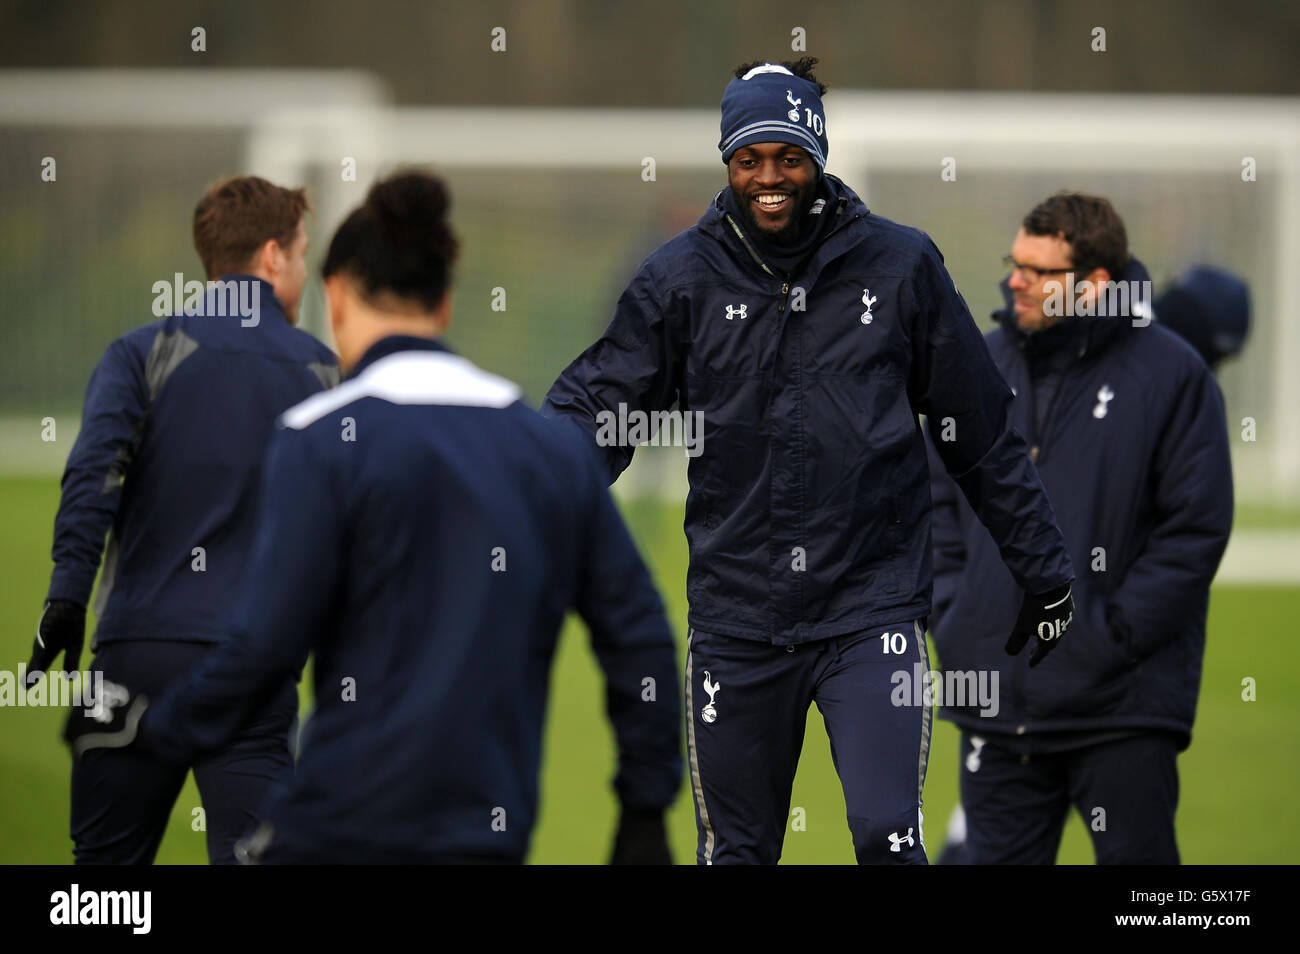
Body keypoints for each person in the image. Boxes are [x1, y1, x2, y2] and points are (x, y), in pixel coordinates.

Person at [541, 58, 1076, 865]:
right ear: (727, 160)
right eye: (750, 157)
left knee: (887, 837)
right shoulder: (677, 278)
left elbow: (980, 434)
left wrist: (1047, 571)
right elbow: (597, 413)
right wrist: (519, 496)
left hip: (871, 608)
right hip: (735, 618)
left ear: (817, 158)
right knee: (739, 854)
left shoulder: (901, 266)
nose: (769, 177)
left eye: (789, 157)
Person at [64, 171, 683, 865]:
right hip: (487, 837)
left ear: (336, 295)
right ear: (445, 304)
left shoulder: (318, 438)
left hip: (340, 833)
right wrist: (643, 810)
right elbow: (639, 635)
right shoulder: (546, 449)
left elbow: (260, 650)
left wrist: (148, 730)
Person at [27, 176, 338, 864]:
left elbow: (92, 477)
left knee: (103, 885)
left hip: (131, 654)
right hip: (250, 667)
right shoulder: (322, 372)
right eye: (301, 252)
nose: (304, 270)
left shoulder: (140, 352)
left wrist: (66, 597)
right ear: (271, 257)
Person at [927, 192, 1233, 864]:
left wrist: (1107, 637)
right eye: (1016, 263)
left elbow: (1194, 532)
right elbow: (933, 506)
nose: (1016, 280)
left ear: (1094, 286)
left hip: (1121, 708)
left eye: (1040, 272)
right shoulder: (978, 364)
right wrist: (955, 616)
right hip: (997, 707)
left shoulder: (1173, 376)